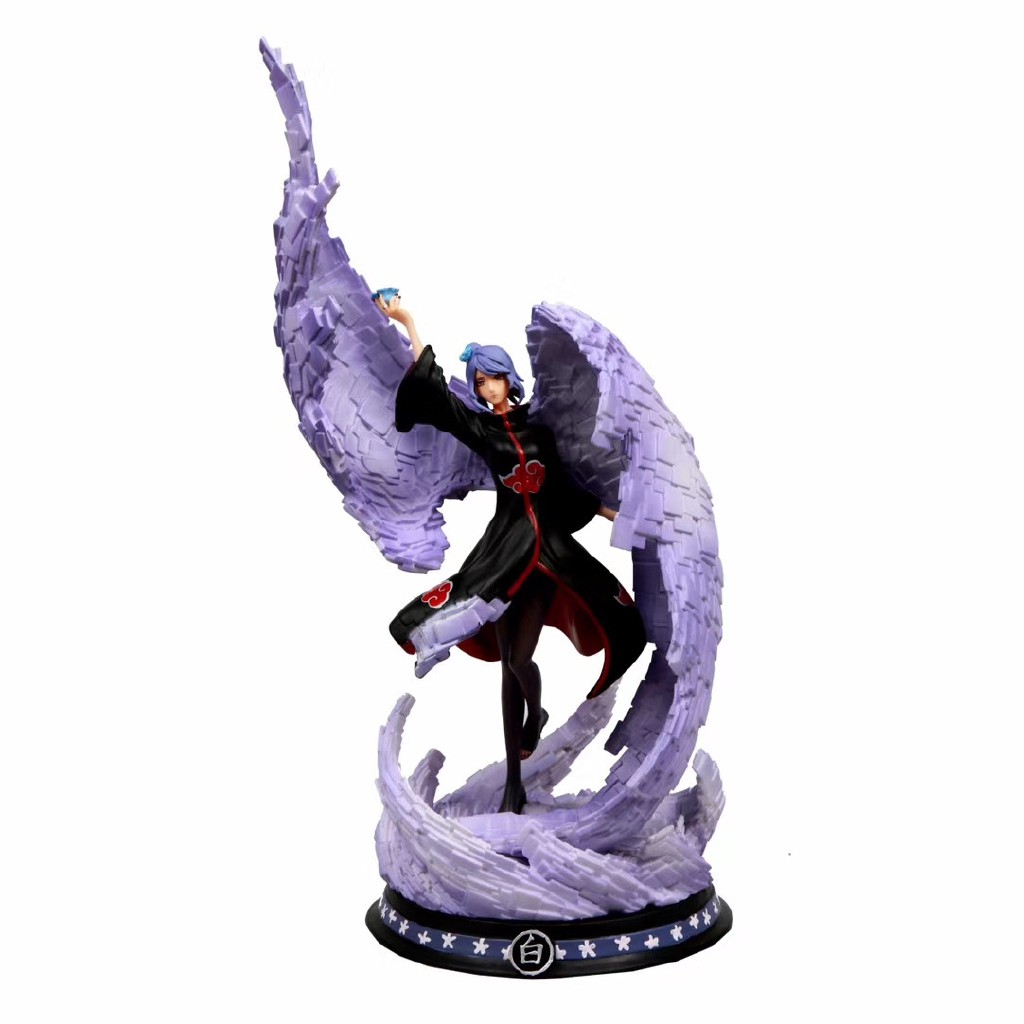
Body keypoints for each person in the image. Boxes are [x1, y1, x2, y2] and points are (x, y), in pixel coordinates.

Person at [377, 294, 647, 814]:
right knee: (508, 666)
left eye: (492, 378)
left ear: (508, 379)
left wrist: (615, 515)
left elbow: (566, 486)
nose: (486, 388)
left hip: (546, 554)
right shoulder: (481, 429)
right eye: (479, 382)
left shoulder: (539, 428)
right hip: (503, 553)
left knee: (521, 658)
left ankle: (535, 715)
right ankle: (513, 784)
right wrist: (409, 321)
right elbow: (438, 398)